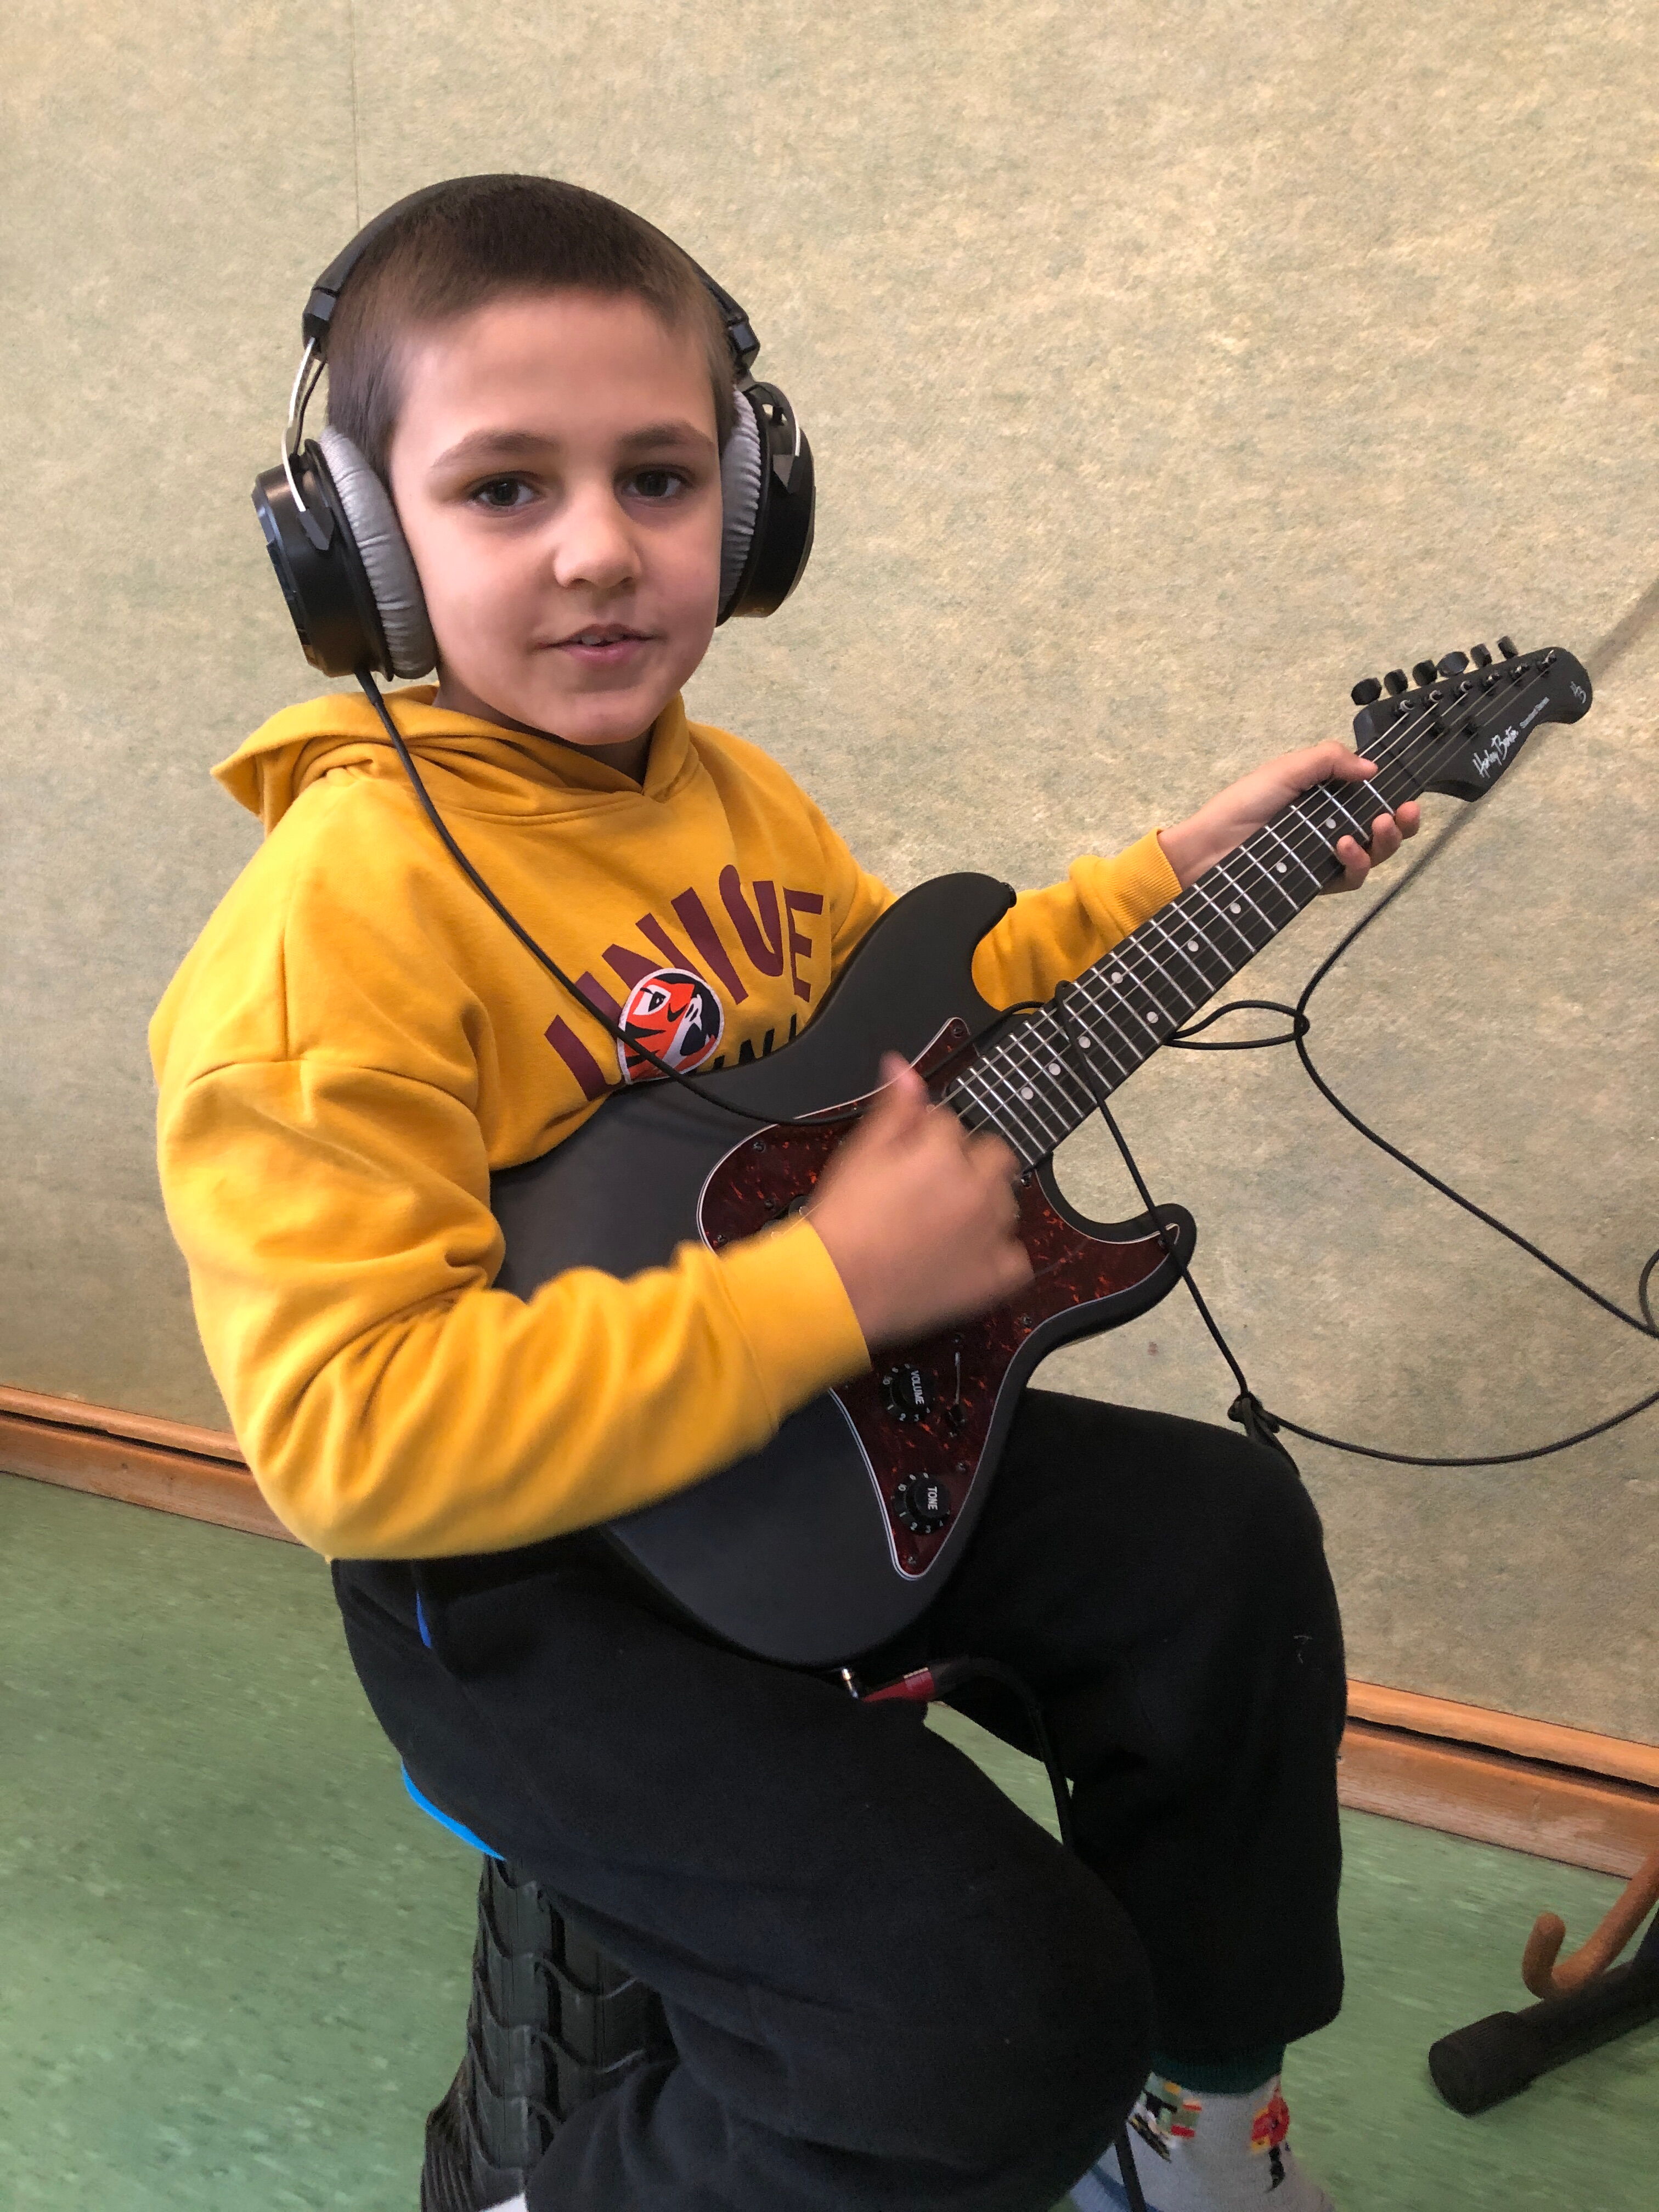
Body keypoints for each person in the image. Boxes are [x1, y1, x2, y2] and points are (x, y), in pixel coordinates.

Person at [150, 176, 1419, 2212]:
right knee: (991, 2025)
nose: (598, 546)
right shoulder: (330, 933)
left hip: (800, 1443)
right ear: (359, 544)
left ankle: (1198, 2131)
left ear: (750, 506)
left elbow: (925, 1019)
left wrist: (1184, 875)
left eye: (659, 477)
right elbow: (351, 1438)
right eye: (503, 489)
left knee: (1219, 1543)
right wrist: (827, 1288)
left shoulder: (733, 798)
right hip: (523, 1586)